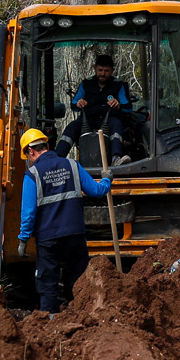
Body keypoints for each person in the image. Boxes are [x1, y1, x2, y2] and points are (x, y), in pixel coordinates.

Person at [15, 126, 113, 312]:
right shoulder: (73, 166)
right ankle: (81, 315)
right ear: (47, 145)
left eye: (27, 156)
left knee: (47, 283)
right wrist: (107, 179)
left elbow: (28, 213)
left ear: (30, 150)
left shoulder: (32, 175)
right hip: (75, 234)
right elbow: (97, 190)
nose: (29, 161)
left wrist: (23, 238)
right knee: (79, 279)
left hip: (48, 239)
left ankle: (50, 321)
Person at [65, 54, 133, 160]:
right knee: (72, 127)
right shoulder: (86, 84)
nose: (103, 74)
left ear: (112, 71)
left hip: (110, 120)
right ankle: (57, 159)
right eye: (100, 70)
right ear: (95, 69)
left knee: (117, 124)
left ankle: (116, 158)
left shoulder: (119, 85)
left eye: (106, 71)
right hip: (87, 121)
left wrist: (118, 105)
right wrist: (79, 103)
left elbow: (128, 107)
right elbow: (73, 104)